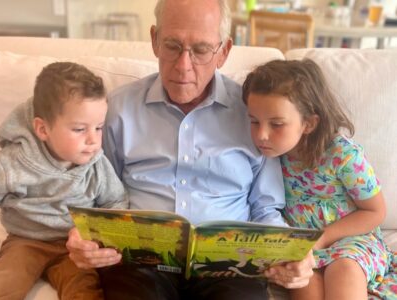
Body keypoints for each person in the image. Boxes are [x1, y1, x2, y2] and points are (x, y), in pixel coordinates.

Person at [66, 1, 315, 299]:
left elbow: (264, 208)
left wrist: (290, 252)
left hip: (229, 265)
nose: (183, 66)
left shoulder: (254, 113)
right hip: (139, 262)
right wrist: (83, 238)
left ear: (223, 52)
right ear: (155, 40)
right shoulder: (118, 109)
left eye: (200, 50)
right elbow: (96, 195)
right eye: (172, 45)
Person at [0, 62, 127, 300]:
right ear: (43, 129)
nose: (93, 140)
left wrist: (95, 235)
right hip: (25, 242)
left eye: (98, 127)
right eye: (79, 129)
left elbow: (116, 201)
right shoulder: (12, 162)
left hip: (75, 248)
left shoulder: (97, 164)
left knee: (85, 291)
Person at [242, 59, 396, 300]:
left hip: (352, 241)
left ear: (309, 123)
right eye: (254, 122)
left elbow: (376, 211)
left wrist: (321, 239)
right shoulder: (267, 157)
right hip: (303, 250)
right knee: (304, 285)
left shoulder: (342, 155)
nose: (261, 135)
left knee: (344, 271)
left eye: (277, 124)